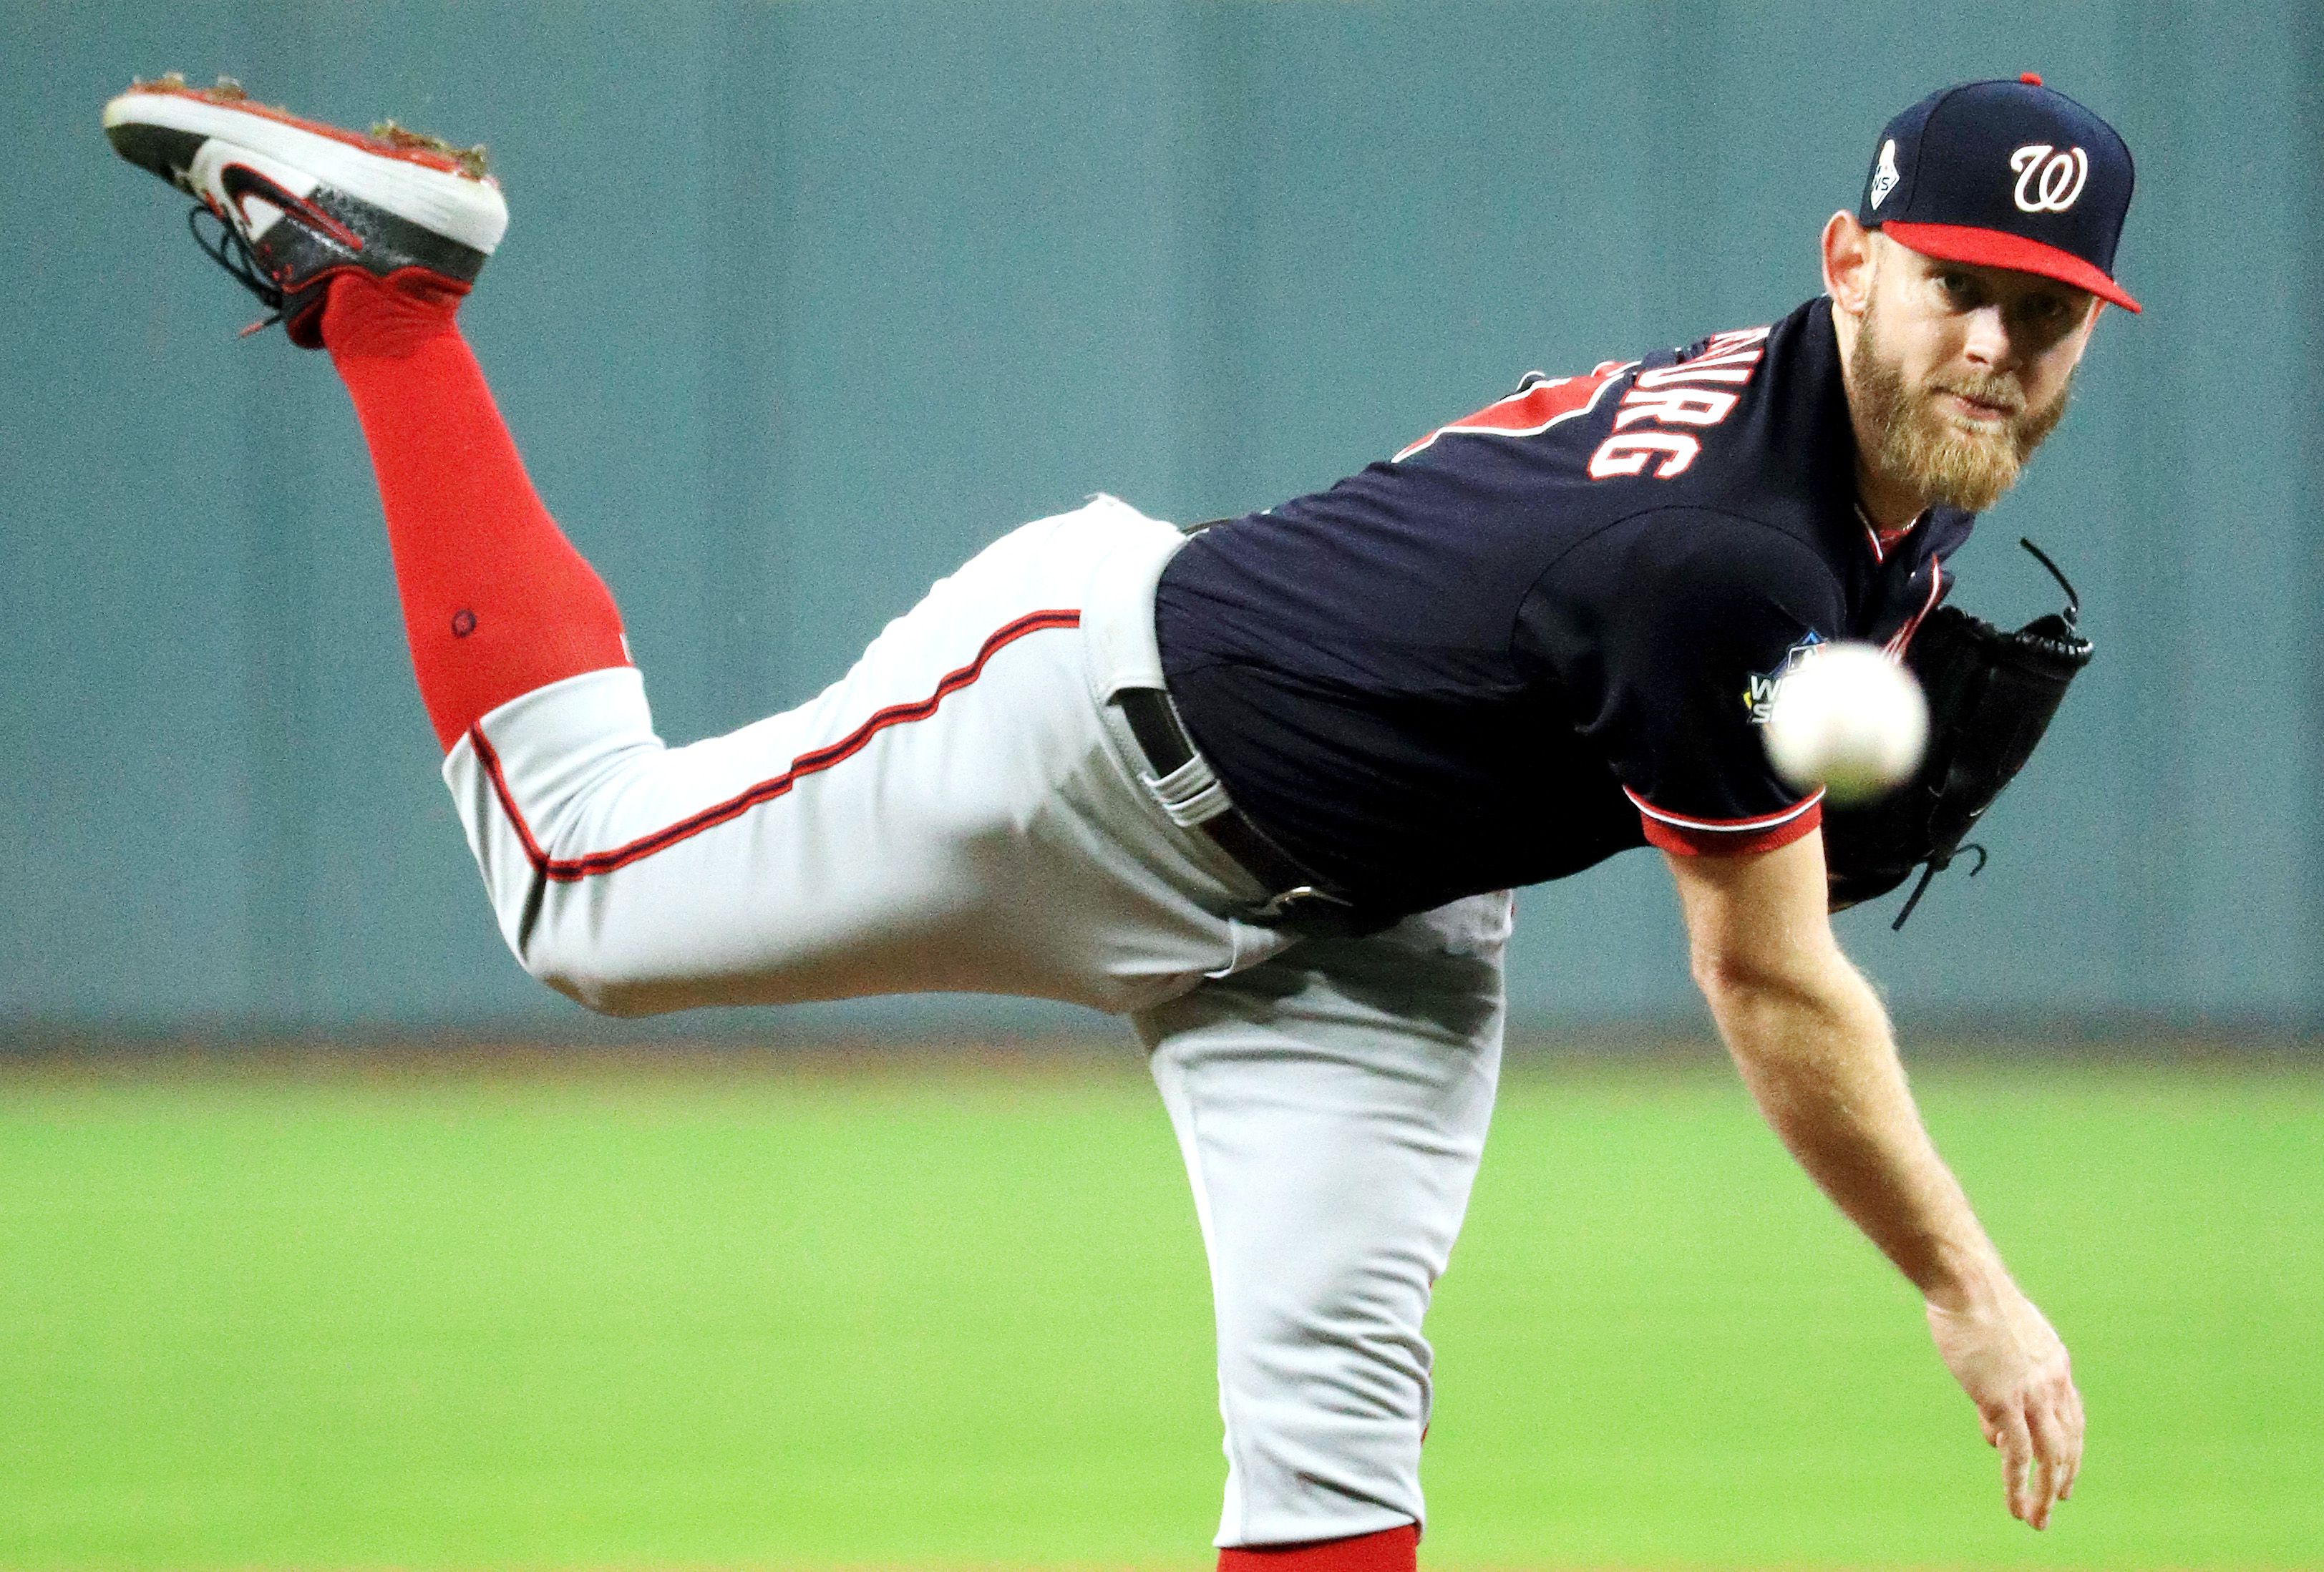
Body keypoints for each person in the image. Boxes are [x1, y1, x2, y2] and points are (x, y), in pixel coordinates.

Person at [104, 69, 2134, 1569]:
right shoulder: (1733, 561)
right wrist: (1971, 1288)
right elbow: (1774, 987)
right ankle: (392, 306)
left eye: (2043, 318)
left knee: (1335, 1452)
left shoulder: (1884, 462)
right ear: (1850, 259)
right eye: (1959, 284)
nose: (1992, 345)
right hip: (1087, 749)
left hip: (1378, 927)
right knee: (575, 896)